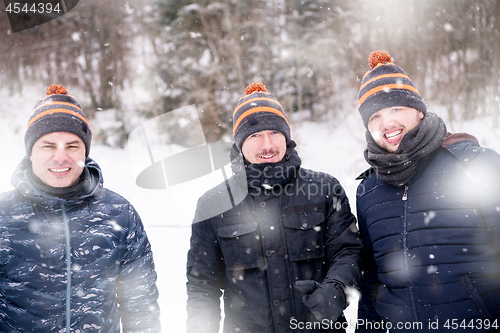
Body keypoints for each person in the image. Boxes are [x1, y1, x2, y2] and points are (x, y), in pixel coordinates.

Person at [186, 82, 363, 333]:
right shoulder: (213, 204)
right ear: (239, 144)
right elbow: (202, 284)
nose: (267, 145)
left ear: (287, 137)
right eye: (254, 135)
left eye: (274, 133)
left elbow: (349, 253)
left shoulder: (324, 189)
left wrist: (335, 289)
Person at [355, 51, 500, 332]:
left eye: (396, 109)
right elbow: (374, 279)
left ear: (419, 111)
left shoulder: (475, 164)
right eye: (375, 116)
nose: (387, 124)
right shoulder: (367, 190)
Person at [0, 84, 161, 332]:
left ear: (85, 151)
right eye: (48, 145)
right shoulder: (3, 215)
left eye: (72, 145)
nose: (61, 157)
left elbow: (139, 305)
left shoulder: (119, 213)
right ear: (31, 152)